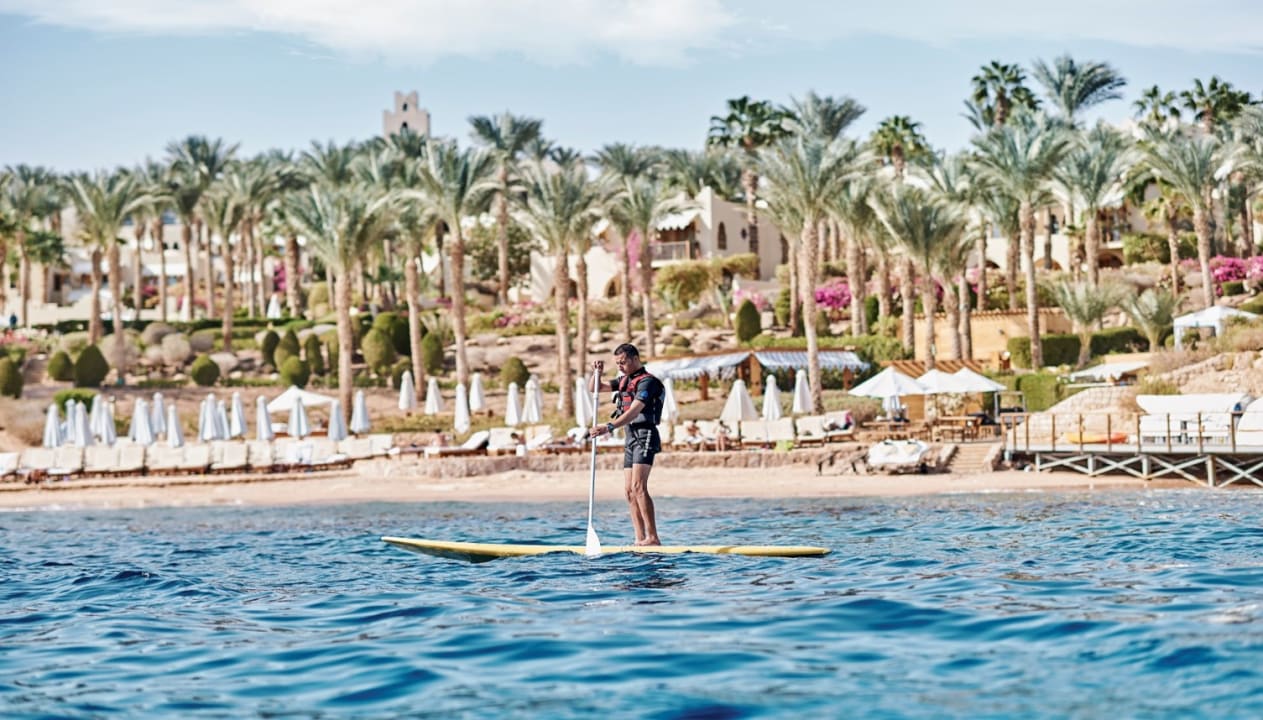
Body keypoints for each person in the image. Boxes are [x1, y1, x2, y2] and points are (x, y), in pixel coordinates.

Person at [586, 343, 664, 546]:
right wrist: (597, 373)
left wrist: (609, 427)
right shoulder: (623, 381)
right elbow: (595, 388)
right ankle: (639, 538)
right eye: (617, 363)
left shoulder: (648, 382)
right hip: (629, 436)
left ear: (635, 359)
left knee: (639, 487)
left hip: (645, 434)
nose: (619, 366)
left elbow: (635, 410)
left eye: (622, 362)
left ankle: (652, 537)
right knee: (629, 491)